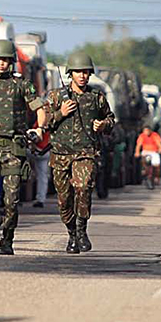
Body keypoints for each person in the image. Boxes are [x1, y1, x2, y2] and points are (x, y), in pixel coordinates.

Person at [0, 39, 47, 255]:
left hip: (13, 147)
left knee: (11, 199)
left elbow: (39, 108)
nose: (2, 63)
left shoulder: (21, 84)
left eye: (6, 60)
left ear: (11, 62)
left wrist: (40, 128)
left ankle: (7, 240)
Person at [43, 53, 114, 254]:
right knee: (64, 200)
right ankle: (72, 233)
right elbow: (44, 122)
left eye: (85, 72)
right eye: (78, 72)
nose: (82, 76)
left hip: (86, 153)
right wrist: (61, 113)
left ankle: (82, 230)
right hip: (60, 156)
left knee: (83, 188)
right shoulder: (57, 97)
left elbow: (111, 120)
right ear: (70, 74)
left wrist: (103, 125)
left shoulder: (96, 97)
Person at [31, 128, 52, 208]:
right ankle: (41, 198)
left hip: (36, 149)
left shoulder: (38, 122)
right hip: (45, 150)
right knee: (42, 175)